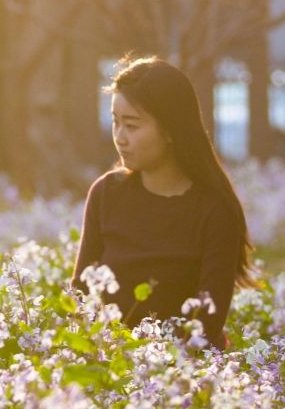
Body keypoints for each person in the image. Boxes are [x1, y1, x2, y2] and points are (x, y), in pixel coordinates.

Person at [71, 56, 256, 350]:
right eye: (116, 123)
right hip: (110, 367)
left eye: (132, 126)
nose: (120, 137)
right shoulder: (106, 194)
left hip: (183, 376)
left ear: (171, 130)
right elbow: (81, 292)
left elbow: (207, 322)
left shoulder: (215, 211)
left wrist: (154, 368)